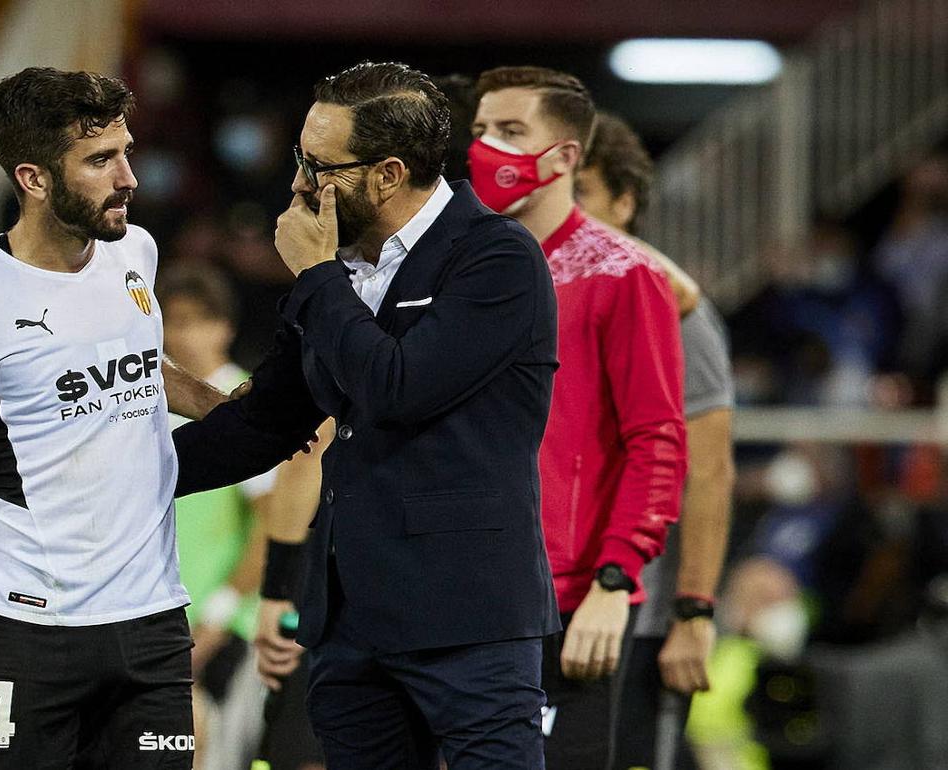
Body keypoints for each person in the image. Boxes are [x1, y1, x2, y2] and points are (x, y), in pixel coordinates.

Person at [0, 67, 311, 769]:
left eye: (126, 152)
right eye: (101, 161)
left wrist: (227, 409)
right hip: (28, 626)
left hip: (154, 622)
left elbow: (140, 364)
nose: (128, 178)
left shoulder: (136, 251)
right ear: (34, 179)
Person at [243, 61, 561, 770]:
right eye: (300, 158)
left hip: (467, 619)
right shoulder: (344, 269)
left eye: (319, 167)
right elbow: (271, 418)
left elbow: (397, 387)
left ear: (387, 174)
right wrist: (135, 463)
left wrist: (316, 276)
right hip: (351, 622)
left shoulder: (497, 257)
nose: (299, 185)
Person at [470, 66, 687, 769]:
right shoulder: (455, 272)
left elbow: (657, 441)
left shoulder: (624, 275)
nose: (488, 148)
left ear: (565, 155)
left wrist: (614, 583)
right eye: (481, 130)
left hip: (565, 600)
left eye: (511, 131)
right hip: (457, 592)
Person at [575, 111, 736, 769]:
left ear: (624, 202)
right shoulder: (541, 304)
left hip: (638, 619)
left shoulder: (679, 312)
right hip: (548, 605)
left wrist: (692, 612)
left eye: (580, 191)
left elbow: (710, 471)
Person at [158, 262, 279, 770]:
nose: (181, 335)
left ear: (225, 327)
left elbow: (271, 524)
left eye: (196, 321)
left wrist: (219, 616)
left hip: (222, 627)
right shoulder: (146, 404)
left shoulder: (242, 404)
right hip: (160, 619)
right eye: (172, 321)